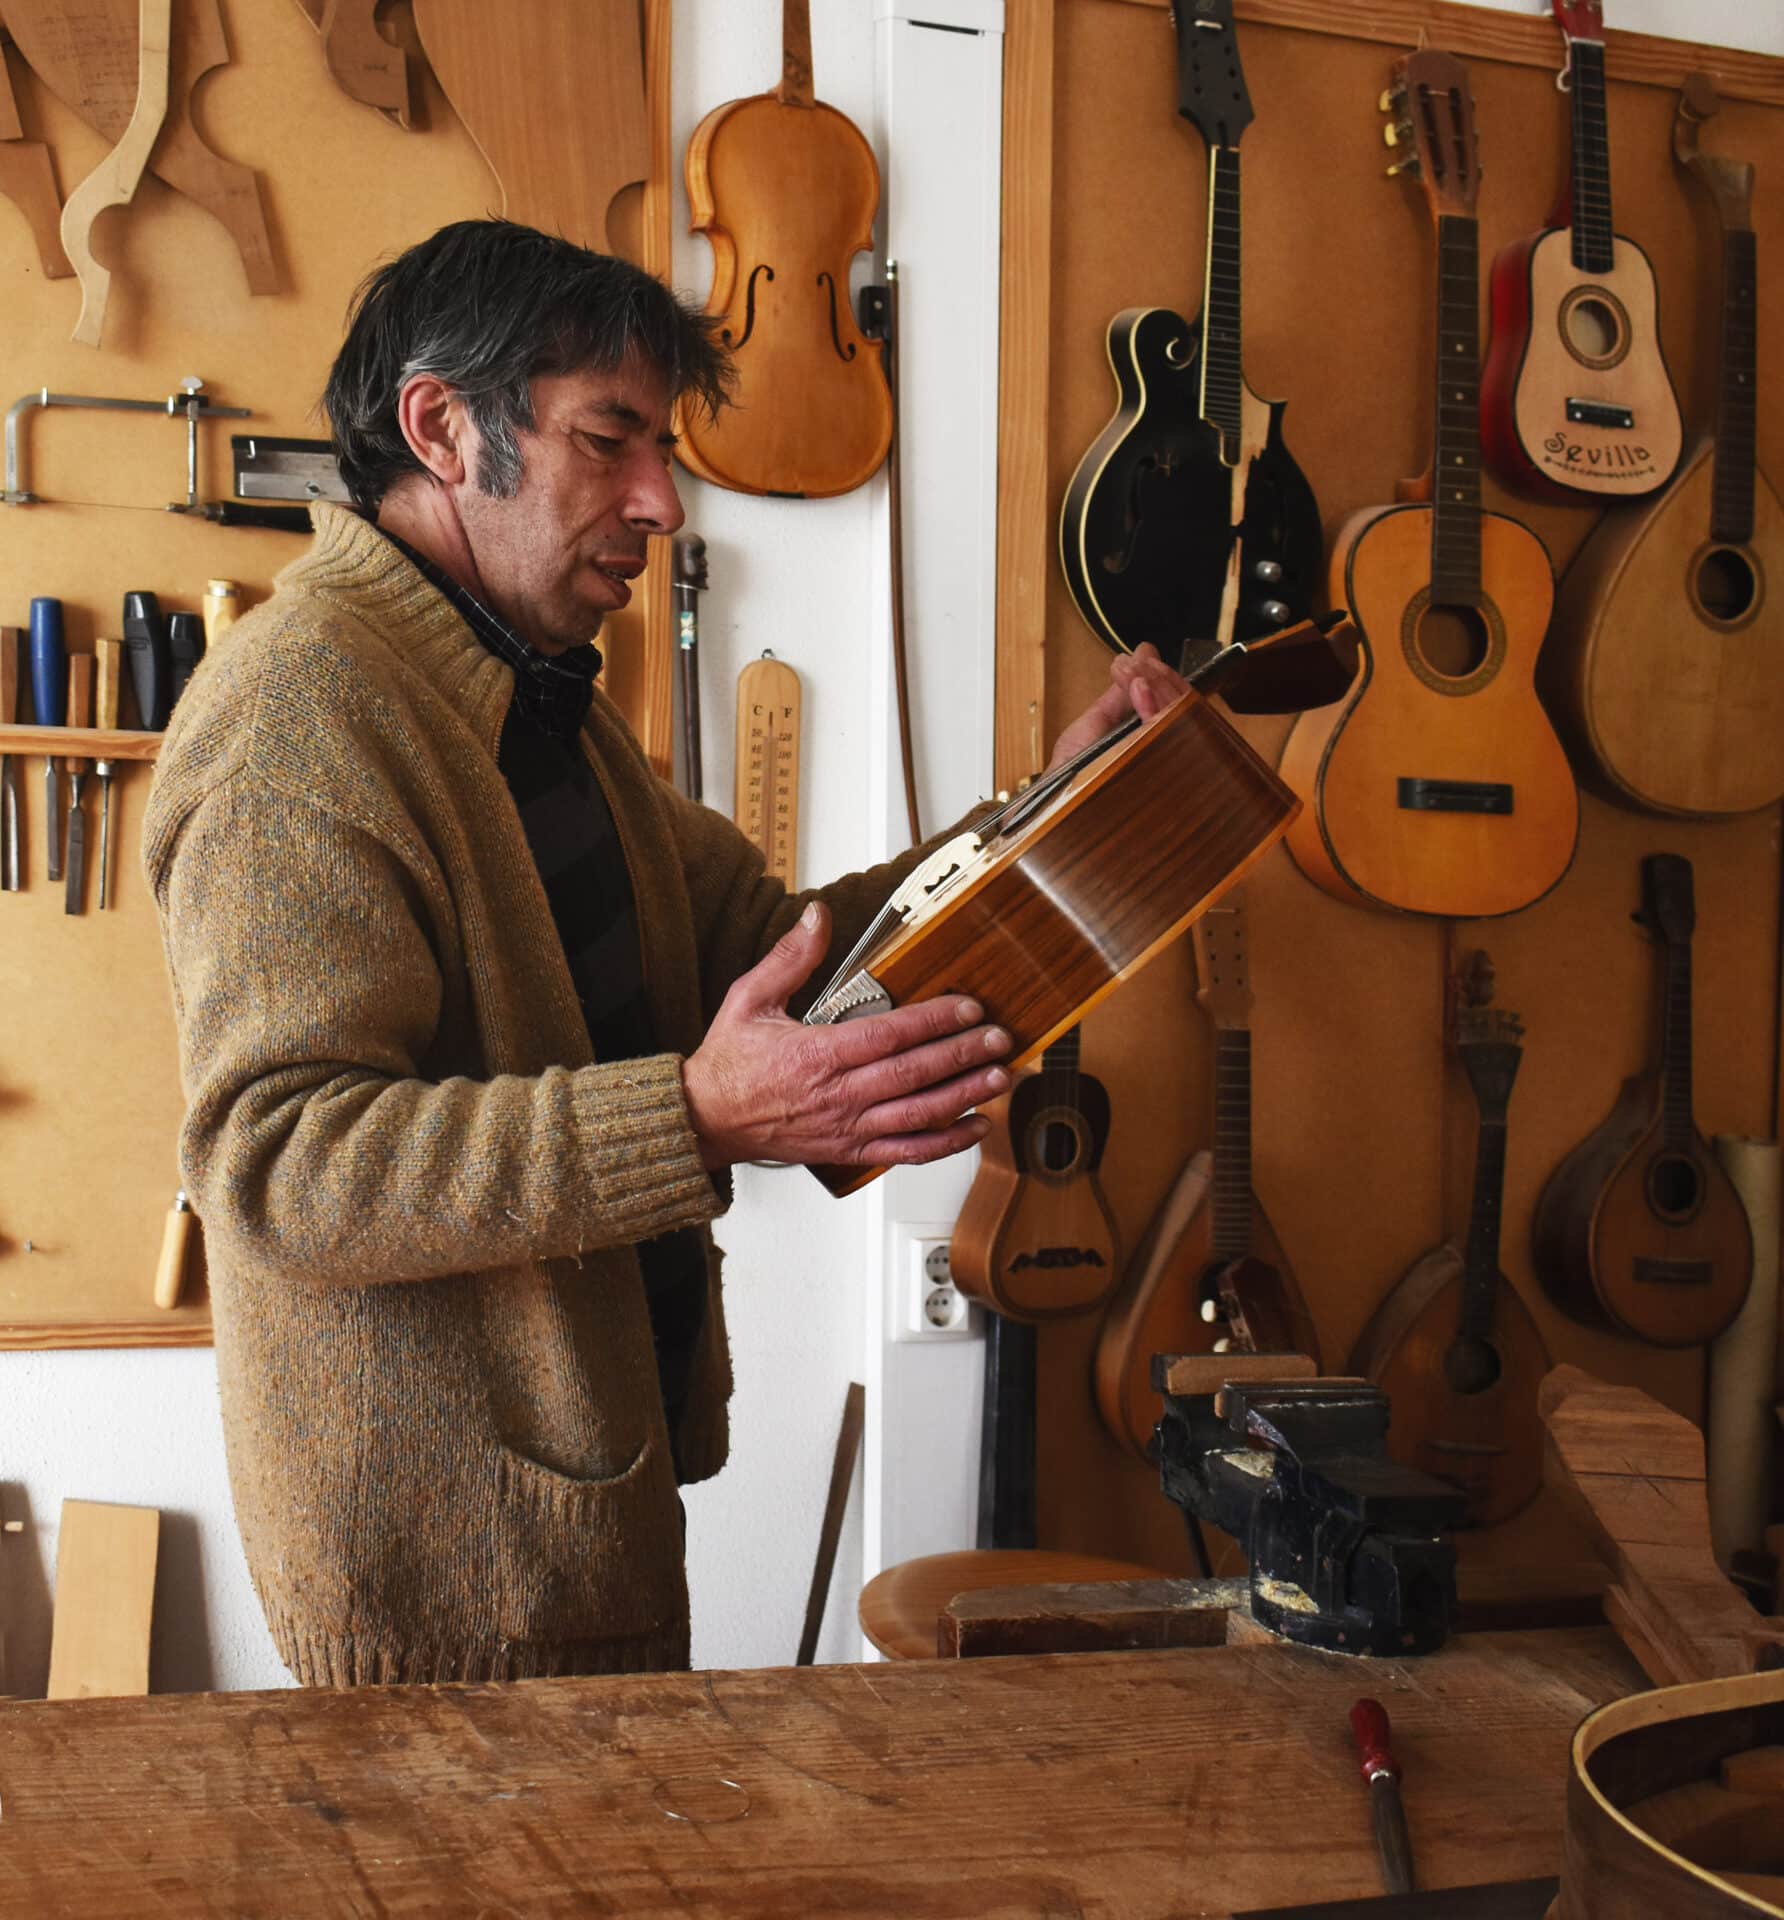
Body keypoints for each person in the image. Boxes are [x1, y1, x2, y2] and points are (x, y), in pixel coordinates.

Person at [144, 220, 1188, 1686]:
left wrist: (1048, 817)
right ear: (441, 426)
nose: (662, 502)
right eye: (611, 441)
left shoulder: (533, 701)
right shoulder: (298, 718)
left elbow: (796, 950)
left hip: (583, 1490)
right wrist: (696, 1116)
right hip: (452, 1574)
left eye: (665, 447)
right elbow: (278, 1170)